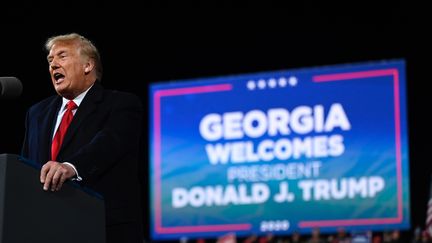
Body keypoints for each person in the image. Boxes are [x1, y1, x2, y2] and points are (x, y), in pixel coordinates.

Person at [21, 33, 144, 243]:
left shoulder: (120, 104)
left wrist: (71, 166)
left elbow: (109, 143)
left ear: (87, 65)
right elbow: (25, 166)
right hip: (45, 228)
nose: (53, 65)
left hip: (103, 228)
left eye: (62, 56)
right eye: (50, 60)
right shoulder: (36, 113)